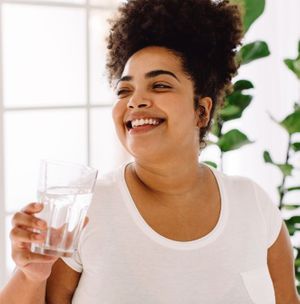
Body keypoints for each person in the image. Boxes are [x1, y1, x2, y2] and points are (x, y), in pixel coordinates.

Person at [0, 0, 299, 303]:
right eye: (124, 90)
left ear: (201, 111)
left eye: (159, 85)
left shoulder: (254, 206)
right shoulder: (85, 211)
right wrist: (30, 275)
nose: (135, 101)